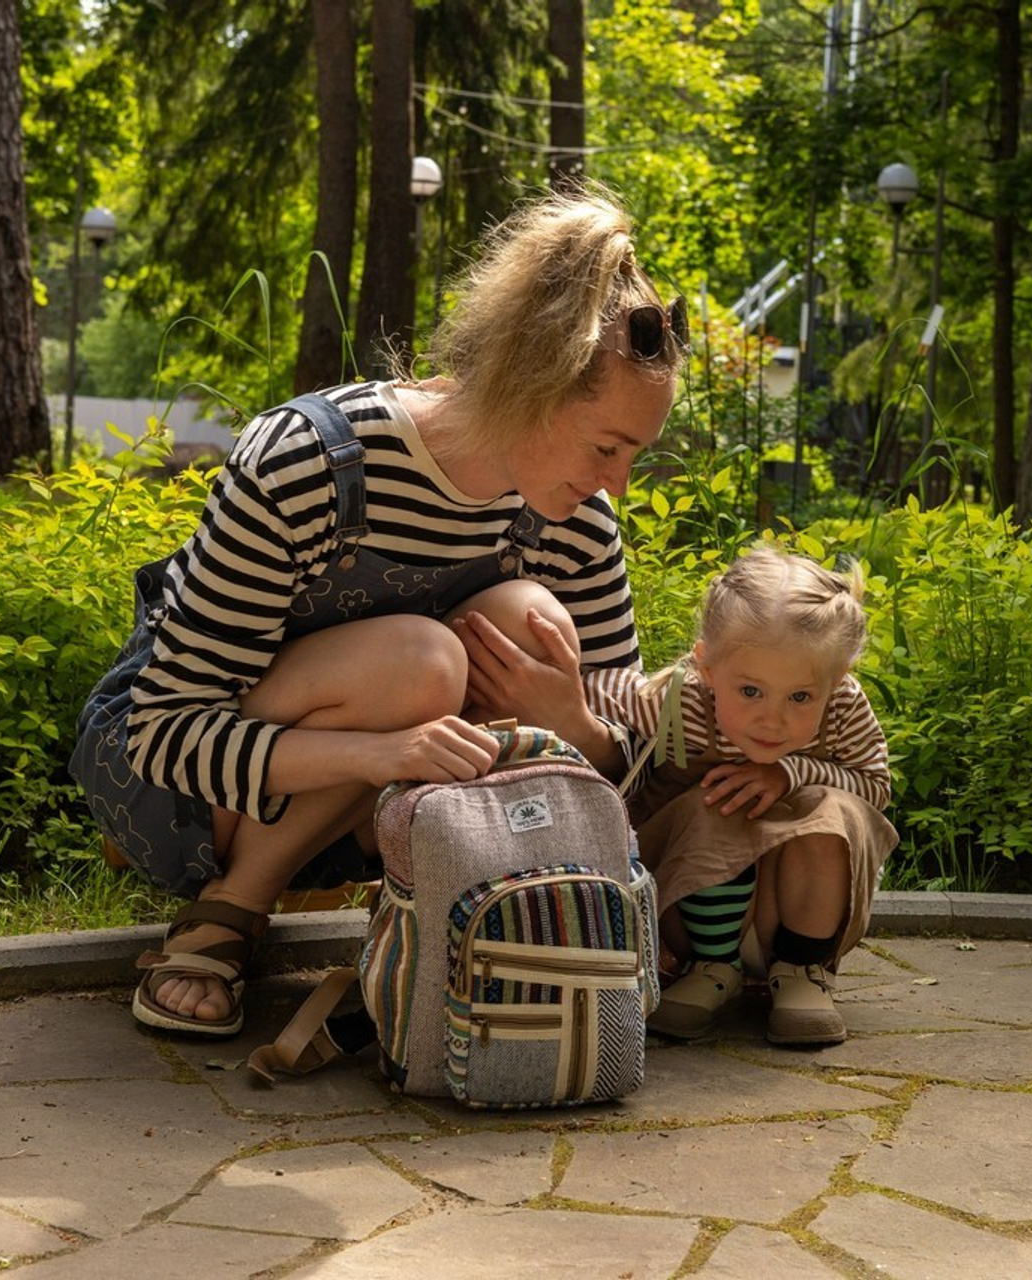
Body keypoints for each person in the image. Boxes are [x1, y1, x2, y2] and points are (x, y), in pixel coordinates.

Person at [69, 187, 686, 1038]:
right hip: (187, 797)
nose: (617, 484)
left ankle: (425, 912)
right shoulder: (308, 462)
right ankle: (227, 915)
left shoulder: (577, 517)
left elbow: (626, 763)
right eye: (606, 447)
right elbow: (165, 734)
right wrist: (384, 748)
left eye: (635, 456)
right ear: (524, 383)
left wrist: (573, 724)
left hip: (367, 811)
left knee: (523, 612)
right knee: (422, 663)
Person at [586, 544, 898, 1045]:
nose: (772, 718)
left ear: (835, 681)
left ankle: (802, 972)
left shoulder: (843, 708)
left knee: (836, 810)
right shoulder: (681, 700)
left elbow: (875, 785)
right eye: (750, 691)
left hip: (795, 912)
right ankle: (713, 968)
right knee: (712, 798)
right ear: (708, 668)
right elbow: (590, 688)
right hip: (695, 917)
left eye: (800, 697)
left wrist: (790, 772)